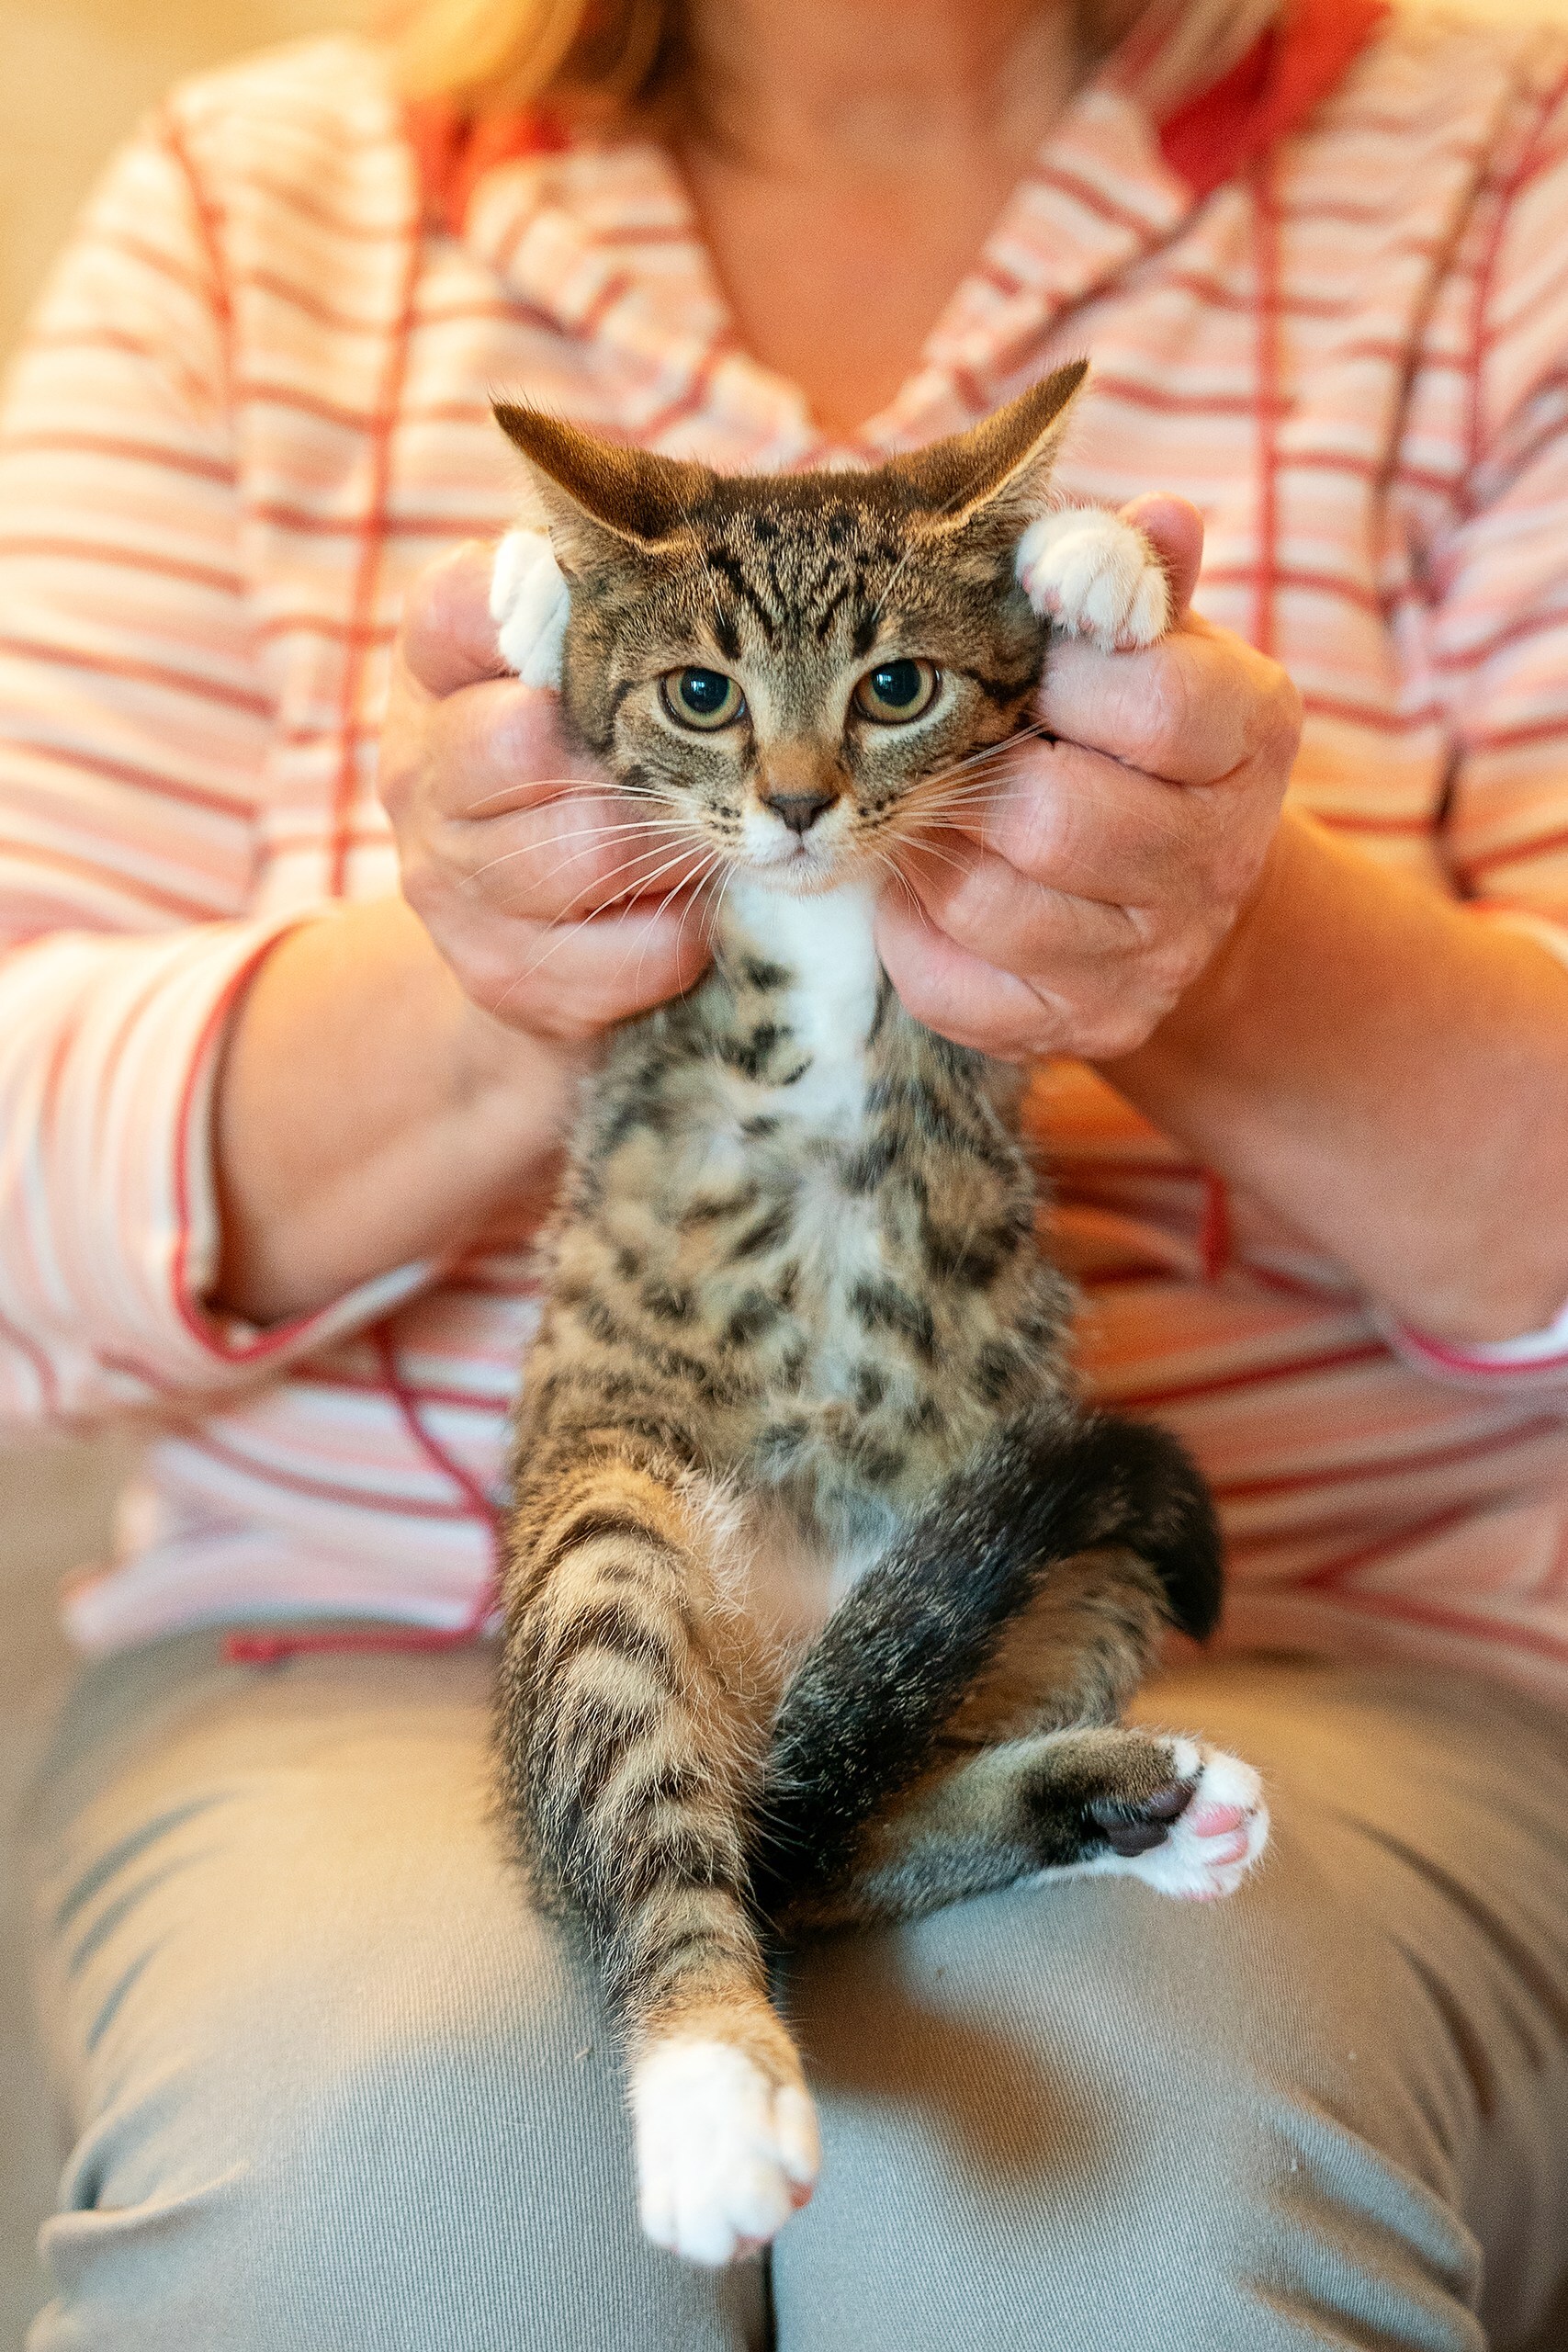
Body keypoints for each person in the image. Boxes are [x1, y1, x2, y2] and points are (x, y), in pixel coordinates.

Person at [4, 0, 1568, 2341]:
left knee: (1130, 2209)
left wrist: (1200, 937)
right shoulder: (255, 218)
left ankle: (971, 1813)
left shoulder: (1496, 167)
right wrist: (503, 958)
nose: (820, 785)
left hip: (1334, 1630)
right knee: (389, 2214)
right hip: (365, 1631)